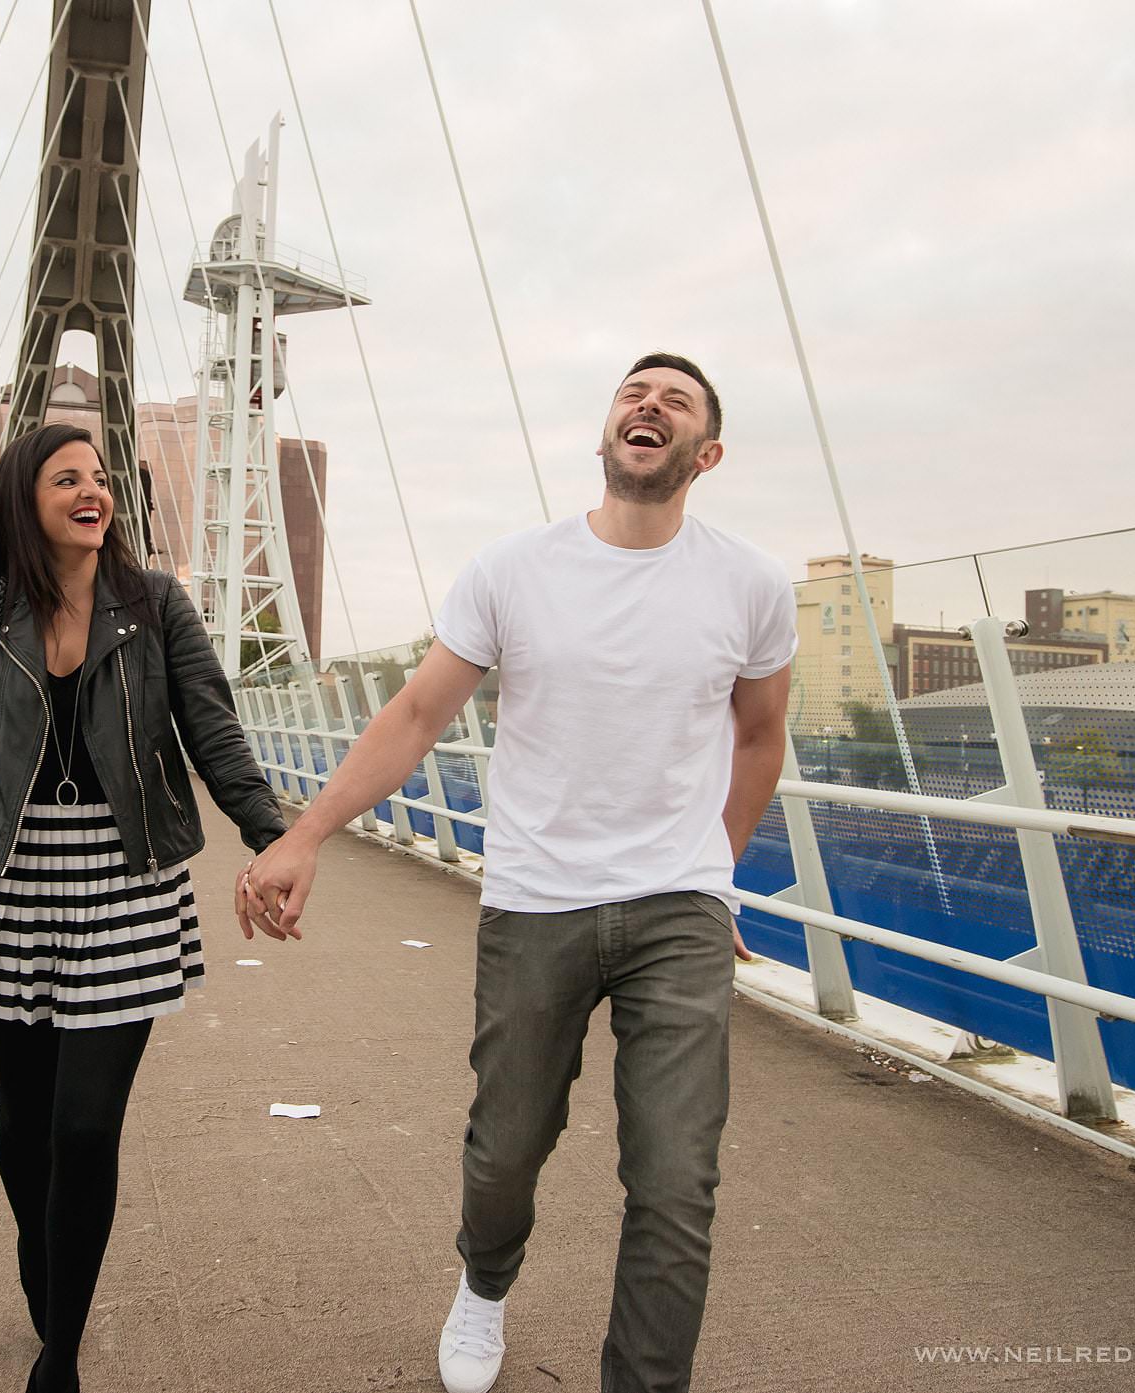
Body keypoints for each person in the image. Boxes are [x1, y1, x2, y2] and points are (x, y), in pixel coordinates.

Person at [236, 353, 795, 1393]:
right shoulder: (513, 570)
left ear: (704, 453)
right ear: (605, 434)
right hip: (537, 898)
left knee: (677, 1178)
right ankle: (483, 1285)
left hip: (676, 902)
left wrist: (714, 874)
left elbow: (760, 738)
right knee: (506, 1149)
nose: (649, 405)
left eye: (676, 401)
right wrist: (303, 832)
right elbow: (414, 716)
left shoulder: (752, 585)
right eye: (635, 392)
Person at [0, 422, 288, 1393]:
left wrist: (280, 841)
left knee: (83, 1129)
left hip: (125, 890)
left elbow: (215, 735)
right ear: (27, 499)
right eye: (66, 478)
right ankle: (47, 1262)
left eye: (100, 477)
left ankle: (60, 1353)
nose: (91, 490)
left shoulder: (154, 606)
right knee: (23, 1127)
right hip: (5, 889)